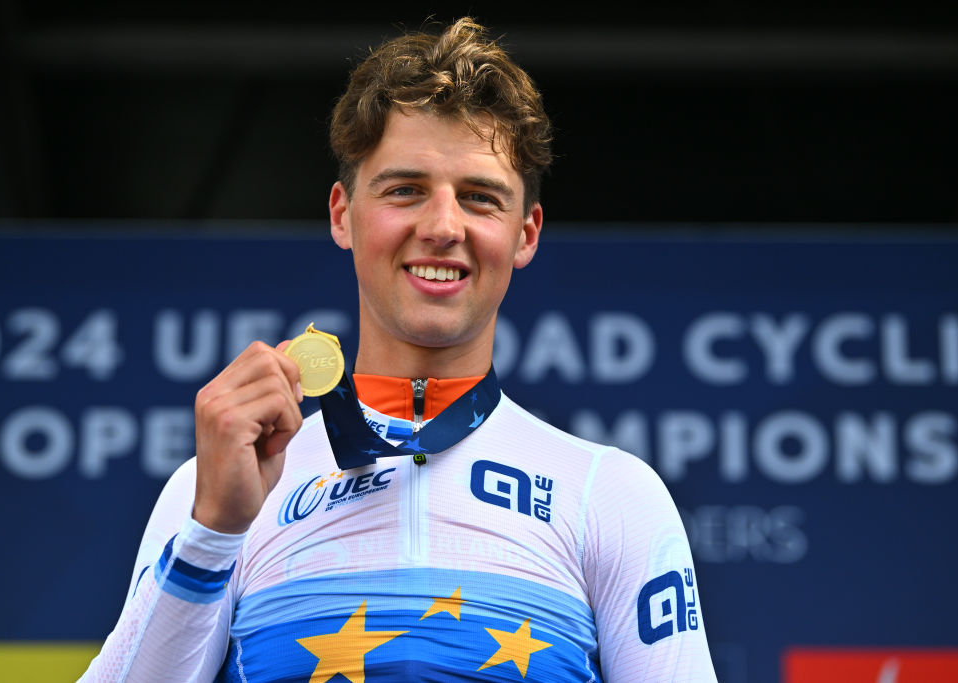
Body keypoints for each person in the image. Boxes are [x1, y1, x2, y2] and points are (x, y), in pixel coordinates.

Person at [81, 17, 717, 682]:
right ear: (341, 214)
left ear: (525, 233)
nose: (443, 227)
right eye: (405, 189)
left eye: (479, 197)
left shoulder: (608, 495)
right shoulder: (216, 490)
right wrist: (212, 530)